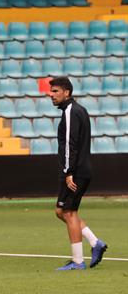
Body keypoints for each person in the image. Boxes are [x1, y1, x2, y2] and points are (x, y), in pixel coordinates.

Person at [50, 76, 107, 270]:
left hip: (75, 171)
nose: (52, 95)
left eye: (55, 91)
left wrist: (68, 172)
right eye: (51, 91)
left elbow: (70, 145)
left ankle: (77, 261)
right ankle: (95, 243)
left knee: (68, 212)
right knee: (61, 211)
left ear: (67, 92)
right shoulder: (79, 110)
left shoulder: (70, 112)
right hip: (80, 169)